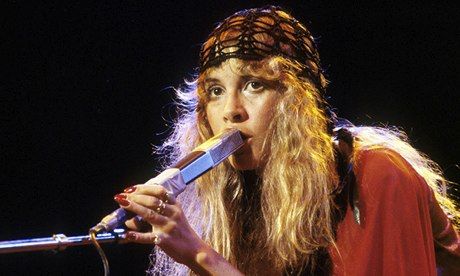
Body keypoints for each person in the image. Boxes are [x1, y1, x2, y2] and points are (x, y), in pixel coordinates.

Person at [112, 6, 460, 275]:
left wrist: (200, 254)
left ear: (296, 100)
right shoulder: (246, 198)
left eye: (254, 85)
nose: (230, 111)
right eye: (215, 91)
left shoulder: (376, 176)